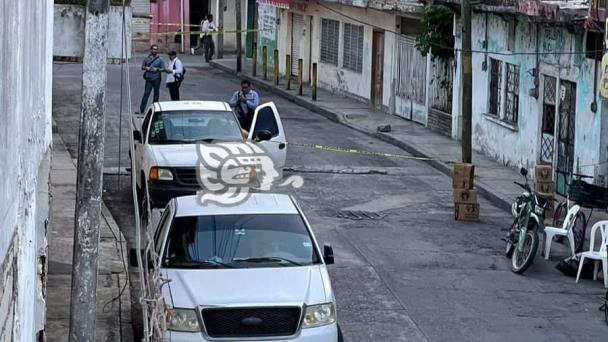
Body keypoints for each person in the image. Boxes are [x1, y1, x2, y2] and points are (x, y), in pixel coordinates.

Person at [139, 45, 165, 114]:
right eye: (153, 49)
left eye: (156, 49)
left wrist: (157, 69)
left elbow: (163, 69)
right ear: (151, 50)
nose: (155, 51)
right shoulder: (146, 58)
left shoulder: (160, 59)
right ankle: (142, 110)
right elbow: (142, 67)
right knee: (146, 94)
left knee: (156, 95)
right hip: (149, 78)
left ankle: (155, 111)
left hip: (157, 78)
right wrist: (146, 68)